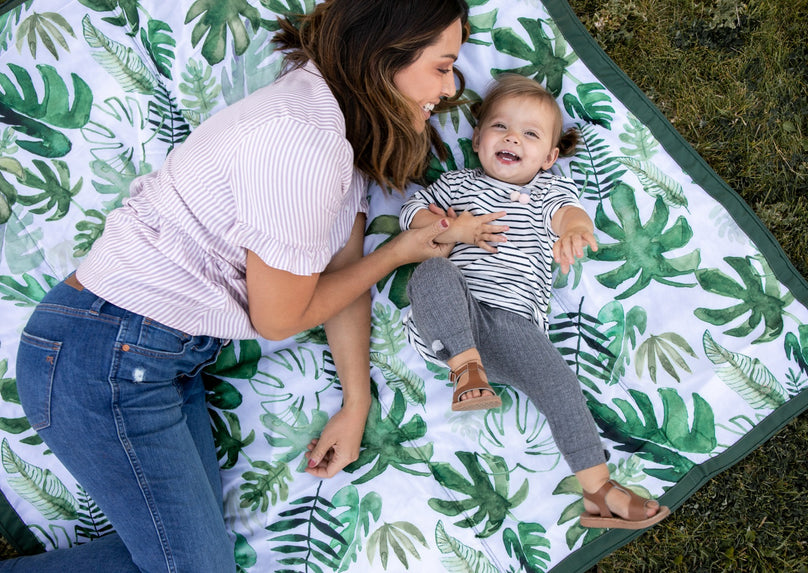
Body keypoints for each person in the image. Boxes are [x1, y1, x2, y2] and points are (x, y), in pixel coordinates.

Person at [7, 1, 468, 571]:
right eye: (442, 66)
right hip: (106, 355)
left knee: (178, 560)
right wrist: (399, 251)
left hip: (146, 357)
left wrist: (356, 402)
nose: (449, 90)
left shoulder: (333, 134)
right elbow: (279, 318)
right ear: (383, 57)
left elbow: (339, 278)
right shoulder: (305, 143)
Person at [400, 74, 671, 529]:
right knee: (432, 274)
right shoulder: (458, 184)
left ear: (549, 157)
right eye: (500, 126)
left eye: (529, 134)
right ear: (478, 137)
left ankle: (598, 491)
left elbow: (569, 212)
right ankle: (466, 369)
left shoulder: (546, 193)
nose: (511, 138)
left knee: (561, 388)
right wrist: (454, 228)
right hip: (453, 319)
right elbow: (413, 214)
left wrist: (574, 230)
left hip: (515, 329)